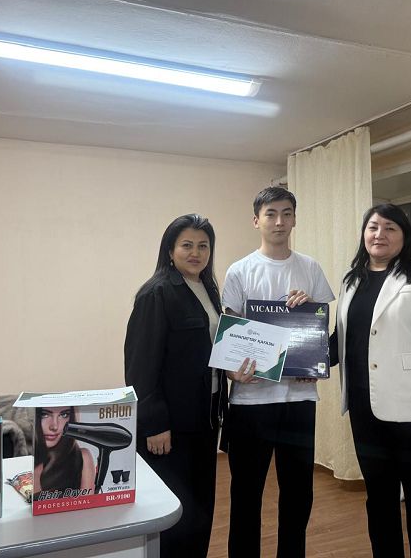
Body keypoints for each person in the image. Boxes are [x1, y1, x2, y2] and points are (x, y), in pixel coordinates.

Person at [332, 203, 411, 558]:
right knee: (379, 500)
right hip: (364, 411)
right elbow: (339, 343)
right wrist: (293, 347)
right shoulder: (351, 280)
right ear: (364, 234)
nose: (380, 234)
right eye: (373, 227)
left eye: (390, 228)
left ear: (404, 236)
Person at [222, 187, 335, 558]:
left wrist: (310, 311)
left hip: (299, 398)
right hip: (250, 401)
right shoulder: (240, 270)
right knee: (246, 493)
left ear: (295, 219)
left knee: (299, 492)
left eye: (287, 213)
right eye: (271, 214)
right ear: (256, 220)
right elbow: (230, 336)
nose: (279, 221)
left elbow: (321, 329)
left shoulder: (311, 268)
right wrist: (234, 373)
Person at [124, 214, 227, 558]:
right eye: (187, 245)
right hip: (170, 426)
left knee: (201, 504)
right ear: (170, 250)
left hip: (205, 418)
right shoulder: (156, 293)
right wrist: (154, 423)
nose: (196, 253)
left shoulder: (208, 289)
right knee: (174, 512)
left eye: (203, 246)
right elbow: (140, 366)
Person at [33, 406, 95, 494]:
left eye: (64, 415)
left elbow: (88, 501)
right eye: (45, 415)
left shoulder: (82, 458)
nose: (54, 426)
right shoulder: (21, 457)